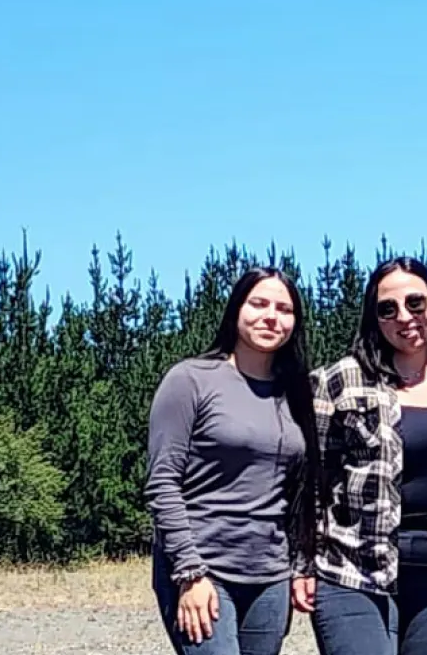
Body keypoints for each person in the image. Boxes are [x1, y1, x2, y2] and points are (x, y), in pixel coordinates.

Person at [301, 257, 427, 655]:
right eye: (388, 309)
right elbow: (310, 480)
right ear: (374, 318)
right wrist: (302, 564)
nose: (405, 317)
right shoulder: (338, 381)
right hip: (353, 569)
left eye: (415, 303)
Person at [145, 267, 316, 655]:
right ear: (236, 309)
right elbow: (163, 483)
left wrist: (299, 566)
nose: (271, 316)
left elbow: (302, 491)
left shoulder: (296, 393)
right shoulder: (191, 380)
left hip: (269, 575)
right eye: (258, 303)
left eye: (284, 309)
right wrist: (190, 573)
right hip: (203, 570)